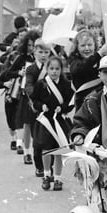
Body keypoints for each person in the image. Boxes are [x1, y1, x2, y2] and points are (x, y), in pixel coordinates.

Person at [31, 56, 73, 191]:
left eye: (57, 69)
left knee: (59, 150)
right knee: (46, 149)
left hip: (59, 120)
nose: (54, 72)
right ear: (47, 69)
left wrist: (63, 108)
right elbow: (34, 100)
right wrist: (41, 105)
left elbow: (70, 102)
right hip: (46, 122)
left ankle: (58, 178)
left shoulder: (66, 85)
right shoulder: (41, 84)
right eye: (51, 68)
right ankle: (46, 175)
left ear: (62, 70)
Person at [0, 30, 39, 154]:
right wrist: (19, 73)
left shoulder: (41, 58)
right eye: (29, 45)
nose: (32, 48)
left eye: (34, 45)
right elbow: (8, 73)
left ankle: (28, 145)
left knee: (32, 120)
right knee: (19, 118)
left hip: (36, 92)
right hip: (20, 92)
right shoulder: (22, 57)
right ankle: (21, 144)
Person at [71, 53, 107, 146]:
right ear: (99, 74)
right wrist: (79, 134)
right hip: (100, 152)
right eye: (105, 72)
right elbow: (81, 122)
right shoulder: (92, 99)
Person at [24, 39, 51, 175]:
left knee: (50, 138)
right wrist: (35, 97)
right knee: (38, 139)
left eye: (46, 52)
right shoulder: (31, 69)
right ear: (35, 52)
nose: (43, 55)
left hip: (50, 108)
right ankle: (39, 165)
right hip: (36, 107)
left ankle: (49, 167)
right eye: (40, 52)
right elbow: (28, 85)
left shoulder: (53, 67)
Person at [68, 29, 107, 110]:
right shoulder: (74, 60)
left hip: (101, 102)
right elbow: (78, 69)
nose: (87, 48)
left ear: (95, 45)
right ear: (77, 47)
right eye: (83, 45)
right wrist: (98, 55)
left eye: (90, 45)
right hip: (83, 104)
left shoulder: (101, 59)